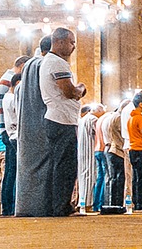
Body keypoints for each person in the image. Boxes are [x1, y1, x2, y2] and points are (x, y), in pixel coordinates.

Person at [41, 27, 87, 216]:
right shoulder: (58, 63)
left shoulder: (48, 61)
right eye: (72, 42)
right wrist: (82, 88)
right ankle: (61, 206)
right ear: (59, 42)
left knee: (58, 165)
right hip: (62, 120)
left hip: (57, 118)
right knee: (65, 166)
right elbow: (69, 92)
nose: (74, 47)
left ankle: (55, 205)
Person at [15, 35, 53, 216]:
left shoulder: (29, 66)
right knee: (44, 169)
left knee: (28, 170)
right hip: (41, 124)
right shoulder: (44, 65)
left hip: (26, 128)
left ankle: (27, 207)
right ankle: (43, 207)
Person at [2, 68, 24, 215]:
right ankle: (13, 205)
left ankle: (7, 206)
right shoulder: (12, 98)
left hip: (11, 135)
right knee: (15, 173)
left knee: (10, 172)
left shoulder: (5, 98)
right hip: (16, 135)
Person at [128, 91, 142, 212]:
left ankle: (136, 202)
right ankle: (141, 204)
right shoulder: (139, 118)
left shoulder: (130, 118)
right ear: (141, 104)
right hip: (140, 150)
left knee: (136, 178)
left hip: (132, 149)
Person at [79, 103, 105, 213]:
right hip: (90, 150)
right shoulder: (93, 119)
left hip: (82, 151)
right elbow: (98, 134)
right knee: (90, 177)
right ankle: (88, 204)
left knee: (83, 177)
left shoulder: (83, 119)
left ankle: (83, 203)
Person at [102, 101, 127, 210]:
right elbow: (123, 134)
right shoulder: (119, 118)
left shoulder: (109, 117)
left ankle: (110, 203)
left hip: (109, 148)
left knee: (111, 178)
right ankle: (116, 203)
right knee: (118, 178)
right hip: (117, 149)